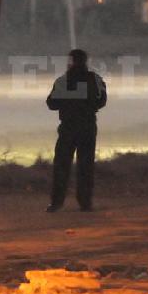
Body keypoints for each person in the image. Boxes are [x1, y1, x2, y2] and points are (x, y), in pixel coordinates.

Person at [45, 49, 107, 212]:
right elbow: (101, 101)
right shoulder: (95, 80)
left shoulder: (63, 81)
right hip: (87, 127)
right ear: (86, 61)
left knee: (61, 166)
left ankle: (56, 202)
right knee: (86, 166)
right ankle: (85, 203)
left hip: (68, 127)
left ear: (70, 62)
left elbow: (51, 103)